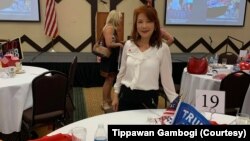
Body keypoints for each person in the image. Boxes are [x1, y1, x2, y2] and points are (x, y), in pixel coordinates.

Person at [112, 5, 178, 111]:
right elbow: (122, 71)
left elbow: (167, 80)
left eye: (148, 21)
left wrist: (176, 103)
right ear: (136, 25)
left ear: (155, 25)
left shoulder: (162, 48)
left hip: (148, 98)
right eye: (140, 22)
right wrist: (116, 94)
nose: (144, 26)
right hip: (126, 96)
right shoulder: (129, 45)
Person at [100, 10, 124, 111]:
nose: (121, 20)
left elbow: (113, 41)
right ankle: (104, 102)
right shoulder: (109, 28)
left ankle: (108, 99)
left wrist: (121, 42)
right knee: (108, 80)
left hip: (112, 58)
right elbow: (109, 44)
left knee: (110, 79)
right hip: (109, 59)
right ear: (115, 18)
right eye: (120, 18)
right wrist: (120, 44)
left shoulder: (112, 28)